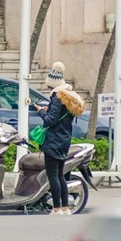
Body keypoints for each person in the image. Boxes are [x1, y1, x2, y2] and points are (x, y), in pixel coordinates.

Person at [33, 61, 84, 215]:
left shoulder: (58, 97)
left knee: (53, 176)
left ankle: (56, 209)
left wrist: (41, 111)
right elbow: (61, 116)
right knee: (60, 175)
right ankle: (65, 208)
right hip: (64, 140)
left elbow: (50, 121)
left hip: (53, 141)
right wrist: (49, 110)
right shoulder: (69, 97)